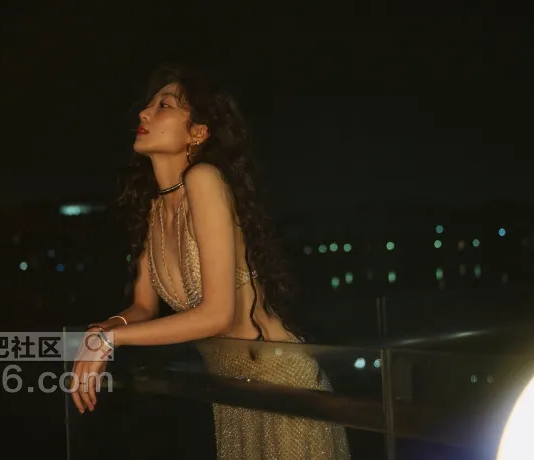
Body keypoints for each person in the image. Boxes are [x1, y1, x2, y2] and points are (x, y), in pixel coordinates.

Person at [70, 63, 350, 459]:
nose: (144, 113)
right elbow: (143, 307)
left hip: (283, 386)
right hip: (232, 394)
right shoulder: (155, 209)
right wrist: (103, 329)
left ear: (198, 132)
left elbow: (218, 314)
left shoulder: (204, 179)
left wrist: (110, 340)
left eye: (163, 105)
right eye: (148, 105)